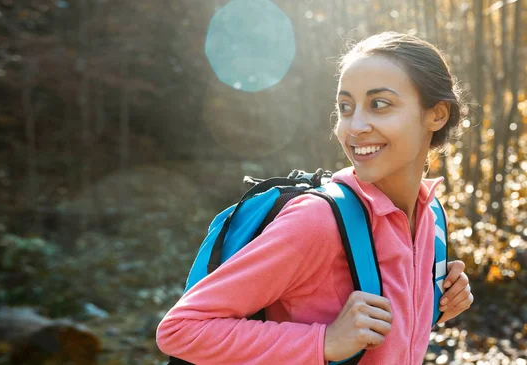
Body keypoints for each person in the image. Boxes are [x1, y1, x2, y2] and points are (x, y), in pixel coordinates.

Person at [156, 31, 474, 365]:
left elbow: (384, 336)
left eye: (379, 104)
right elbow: (180, 330)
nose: (354, 126)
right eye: (345, 107)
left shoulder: (432, 215)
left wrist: (437, 301)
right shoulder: (316, 222)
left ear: (436, 114)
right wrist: (324, 342)